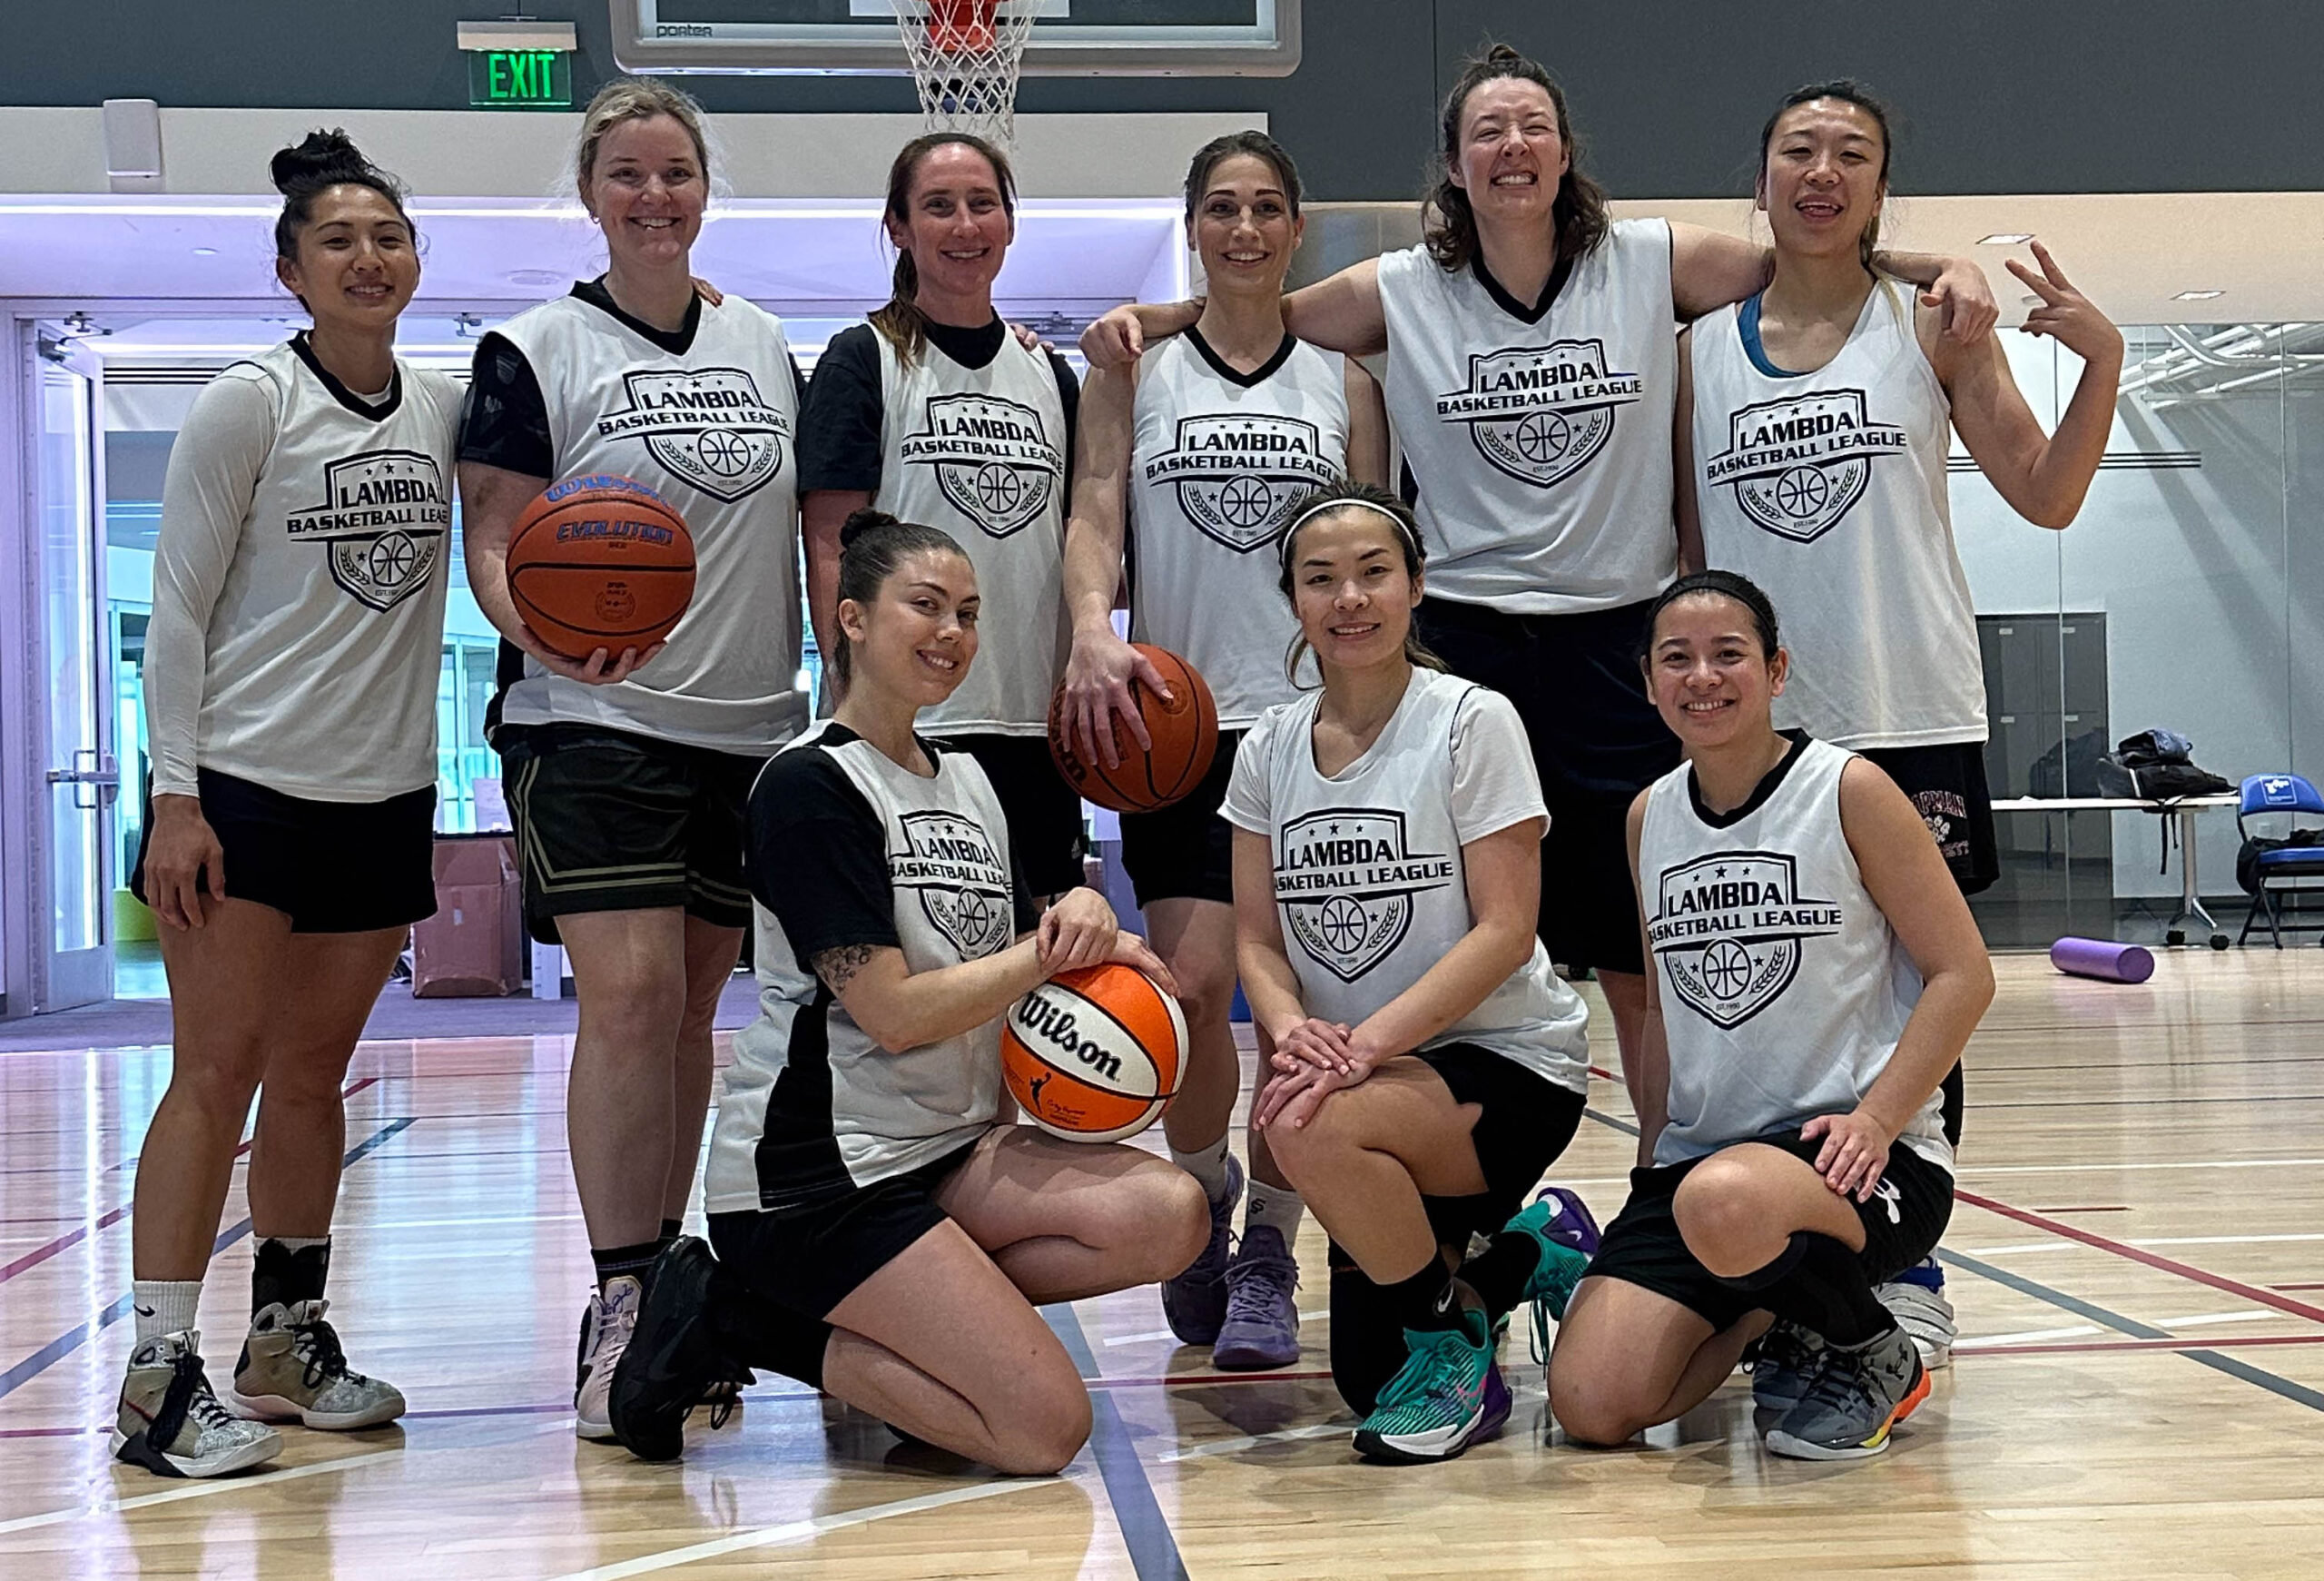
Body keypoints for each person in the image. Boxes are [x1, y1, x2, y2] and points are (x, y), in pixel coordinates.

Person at [1082, 44, 1996, 1143]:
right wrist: (1150, 325)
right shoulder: (1401, 290)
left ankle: (1671, 1173)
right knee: (1447, 941)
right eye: (1487, 133)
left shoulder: (1650, 261)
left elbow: (1814, 253)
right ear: (1455, 167)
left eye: (1531, 129)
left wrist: (1941, 265)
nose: (1512, 148)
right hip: (1462, 646)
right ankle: (1450, 1204)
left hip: (1616, 641)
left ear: (1565, 154)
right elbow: (1257, 308)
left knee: (1639, 956)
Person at [604, 509, 1210, 1473]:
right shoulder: (807, 786)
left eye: (968, 613)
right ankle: (740, 1315)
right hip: (817, 1179)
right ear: (850, 617)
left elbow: (993, 975)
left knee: (1171, 1211)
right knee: (1040, 1429)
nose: (951, 633)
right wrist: (1050, 952)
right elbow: (888, 1011)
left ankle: (925, 1328)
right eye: (923, 606)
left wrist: (1091, 959)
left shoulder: (970, 781)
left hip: (947, 1147)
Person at [1675, 80, 2122, 1370]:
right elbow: (1699, 556)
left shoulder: (1932, 328)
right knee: (1794, 997)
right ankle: (1806, 1261)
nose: (1823, 172)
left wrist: (2101, 358)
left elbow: (2046, 493)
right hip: (1762, 732)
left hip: (1909, 713)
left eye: (1852, 156)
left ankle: (1909, 1268)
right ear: (1759, 180)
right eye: (1799, 151)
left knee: (1924, 991)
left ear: (1880, 187)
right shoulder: (1702, 347)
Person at [457, 77, 806, 1441]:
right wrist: (538, 624)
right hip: (587, 721)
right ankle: (613, 1298)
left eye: (676, 173)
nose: (654, 196)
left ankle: (666, 1288)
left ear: (703, 190)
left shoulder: (770, 343)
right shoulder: (533, 346)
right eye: (628, 175)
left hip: (742, 729)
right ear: (591, 194)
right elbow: (493, 536)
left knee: (689, 1022)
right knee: (633, 994)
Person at [115, 130, 458, 1477]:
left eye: (388, 237)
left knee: (315, 1079)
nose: (369, 258)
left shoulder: (439, 409)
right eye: (340, 240)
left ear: (416, 262)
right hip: (245, 792)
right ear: (289, 269)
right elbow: (180, 614)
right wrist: (174, 796)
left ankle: (285, 1338)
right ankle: (155, 1378)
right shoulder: (249, 401)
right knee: (216, 1074)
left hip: (382, 790)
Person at [1058, 131, 1391, 1369]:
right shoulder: (1135, 372)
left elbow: (1377, 552)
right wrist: (1094, 625)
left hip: (1321, 726)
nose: (1244, 228)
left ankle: (1274, 1240)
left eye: (1265, 209)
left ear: (1294, 229)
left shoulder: (1345, 382)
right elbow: (1095, 512)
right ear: (1192, 226)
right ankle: (1203, 1203)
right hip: (1181, 727)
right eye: (1221, 209)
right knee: (1194, 991)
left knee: (1311, 1007)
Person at [1547, 570, 1994, 1461]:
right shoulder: (1648, 817)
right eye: (1677, 659)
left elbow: (1963, 974)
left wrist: (1879, 1119)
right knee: (1591, 1406)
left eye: (1728, 655)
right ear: (1647, 681)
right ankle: (1773, 1298)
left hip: (1858, 1156)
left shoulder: (1849, 790)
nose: (1702, 676)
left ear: (1775, 669)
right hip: (1708, 1166)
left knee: (1727, 1199)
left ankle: (1874, 1351)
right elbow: (1673, 1009)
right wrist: (1651, 1149)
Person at [1223, 483, 1600, 1463]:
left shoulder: (1473, 722)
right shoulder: (1266, 746)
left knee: (1303, 1123)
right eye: (1321, 579)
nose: (1349, 597)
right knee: (1361, 1373)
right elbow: (1257, 940)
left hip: (1501, 1060)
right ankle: (1528, 1248)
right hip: (1369, 1077)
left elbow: (1506, 931)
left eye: (1372, 573)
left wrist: (1357, 1049)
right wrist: (1290, 1028)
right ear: (1293, 600)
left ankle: (1456, 1345)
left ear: (1416, 585)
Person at [798, 132, 1085, 904]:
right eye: (938, 206)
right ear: (898, 226)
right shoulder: (863, 358)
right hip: (909, 723)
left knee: (1035, 972)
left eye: (982, 204)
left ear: (1009, 223)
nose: (965, 226)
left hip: (1032, 726)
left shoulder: (1050, 375)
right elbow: (830, 543)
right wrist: (853, 693)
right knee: (924, 973)